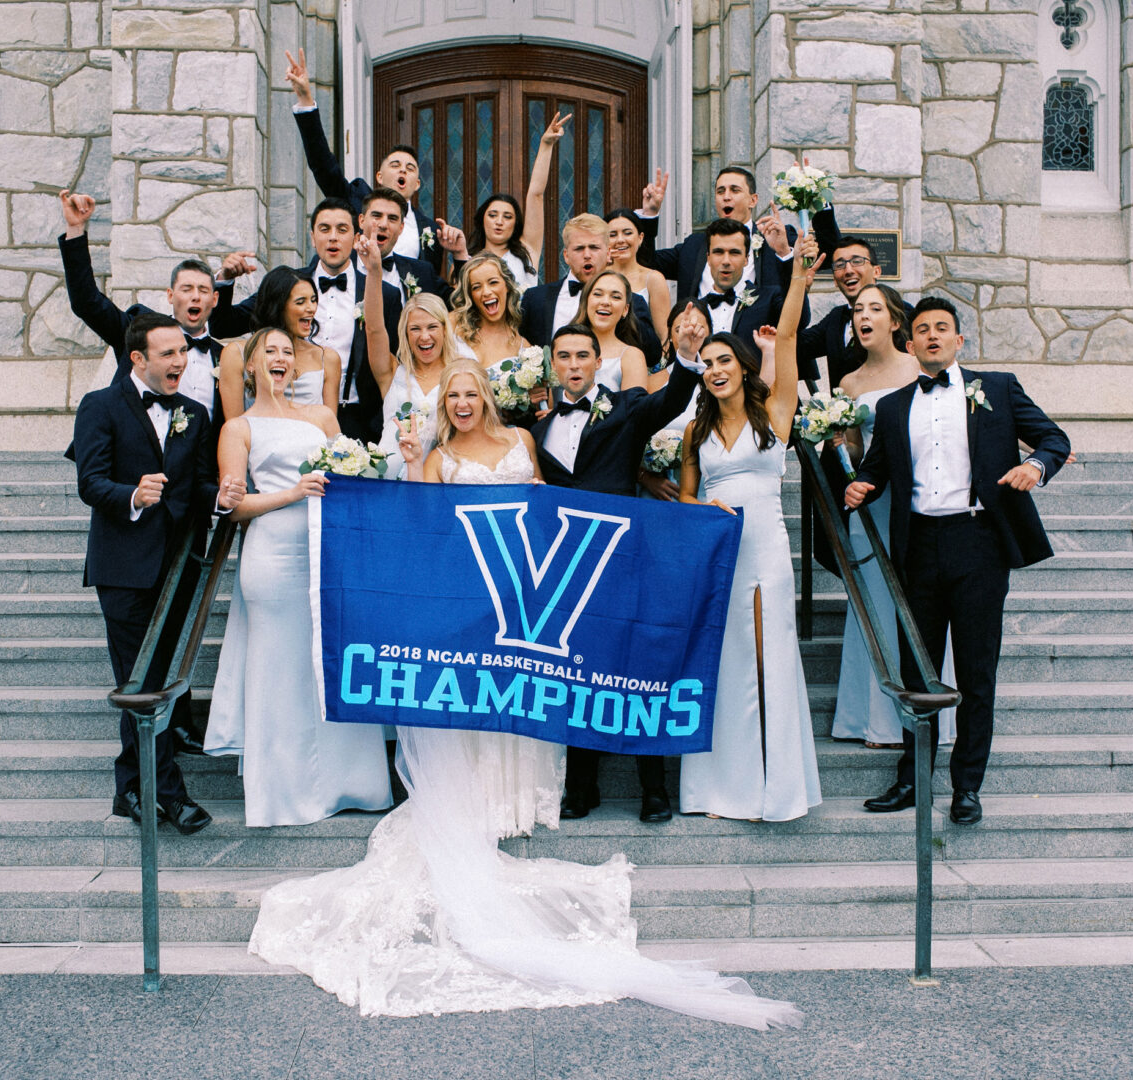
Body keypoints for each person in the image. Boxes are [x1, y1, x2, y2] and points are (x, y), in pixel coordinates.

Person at [245, 358, 800, 1030]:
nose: (461, 403)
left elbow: (544, 505)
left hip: (524, 592)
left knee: (524, 701)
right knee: (479, 704)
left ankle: (522, 801)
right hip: (468, 592)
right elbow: (422, 519)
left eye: (470, 392)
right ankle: (478, 807)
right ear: (443, 404)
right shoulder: (441, 454)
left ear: (487, 397)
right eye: (451, 395)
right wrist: (416, 461)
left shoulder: (522, 443)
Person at [845, 296, 1071, 825]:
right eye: (921, 329)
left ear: (958, 340)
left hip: (978, 544)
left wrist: (1035, 466)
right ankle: (912, 777)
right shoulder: (894, 405)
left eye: (941, 329)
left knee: (975, 672)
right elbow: (876, 469)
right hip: (918, 546)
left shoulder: (997, 388)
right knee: (916, 671)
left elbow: (1053, 439)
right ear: (909, 341)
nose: (931, 336)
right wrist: (859, 484)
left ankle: (967, 786)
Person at [203, 329, 393, 826]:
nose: (281, 359)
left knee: (330, 663)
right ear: (249, 367)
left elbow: (350, 480)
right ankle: (282, 795)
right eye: (270, 352)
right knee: (281, 669)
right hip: (273, 556)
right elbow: (235, 505)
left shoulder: (323, 418)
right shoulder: (238, 429)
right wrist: (293, 492)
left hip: (325, 553)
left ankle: (351, 784)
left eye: (287, 352)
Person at [71, 312, 243, 835]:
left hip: (178, 569)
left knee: (153, 681)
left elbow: (200, 484)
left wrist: (222, 499)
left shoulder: (193, 411)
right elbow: (90, 481)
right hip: (123, 569)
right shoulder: (99, 406)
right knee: (140, 680)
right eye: (168, 353)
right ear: (138, 359)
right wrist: (131, 495)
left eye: (183, 352)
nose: (180, 361)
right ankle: (168, 791)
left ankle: (131, 786)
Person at [674, 236, 822, 823]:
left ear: (741, 364)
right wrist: (704, 510)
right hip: (719, 552)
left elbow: (784, 339)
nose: (713, 371)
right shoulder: (694, 431)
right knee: (728, 661)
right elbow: (685, 495)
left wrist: (802, 281)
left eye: (723, 361)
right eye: (706, 364)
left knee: (769, 659)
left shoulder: (774, 413)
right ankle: (722, 791)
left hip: (766, 547)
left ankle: (774, 789)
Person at [531, 324, 701, 822]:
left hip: (625, 559)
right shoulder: (538, 429)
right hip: (566, 567)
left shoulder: (625, 406)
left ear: (597, 359)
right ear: (554, 365)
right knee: (575, 670)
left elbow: (669, 401)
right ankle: (582, 787)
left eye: (583, 355)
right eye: (564, 357)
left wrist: (686, 358)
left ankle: (654, 790)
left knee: (637, 667)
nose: (575, 365)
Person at [827, 284, 956, 751]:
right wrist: (839, 441)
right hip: (872, 504)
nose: (864, 316)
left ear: (895, 322)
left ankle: (928, 712)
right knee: (875, 604)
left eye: (874, 308)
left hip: (917, 501)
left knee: (920, 607)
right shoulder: (849, 384)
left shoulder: (919, 366)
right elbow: (861, 453)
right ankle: (875, 719)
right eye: (858, 310)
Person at [209, 198, 403, 444]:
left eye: (342, 230)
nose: (333, 237)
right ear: (312, 237)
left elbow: (391, 359)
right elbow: (223, 325)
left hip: (360, 420)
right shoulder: (289, 285)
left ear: (355, 237)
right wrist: (225, 280)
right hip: (285, 413)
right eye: (324, 229)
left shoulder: (385, 294)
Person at [56, 188, 237, 430]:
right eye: (186, 289)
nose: (195, 297)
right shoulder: (139, 332)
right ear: (170, 295)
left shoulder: (226, 358)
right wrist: (76, 230)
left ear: (214, 299)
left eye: (203, 291)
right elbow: (87, 303)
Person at [284, 48, 445, 279]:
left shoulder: (430, 229)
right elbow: (323, 165)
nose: (403, 170)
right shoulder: (354, 198)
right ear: (379, 176)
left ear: (417, 183)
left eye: (410, 169)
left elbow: (431, 283)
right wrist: (306, 100)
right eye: (395, 164)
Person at [360, 237, 460, 478]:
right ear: (405, 334)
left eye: (432, 327)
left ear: (444, 329)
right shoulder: (392, 372)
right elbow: (374, 328)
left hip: (433, 483)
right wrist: (374, 272)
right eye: (415, 329)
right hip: (384, 479)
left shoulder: (459, 376)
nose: (424, 337)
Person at [634, 166, 798, 298]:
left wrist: (784, 252)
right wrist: (650, 215)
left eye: (735, 190)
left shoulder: (777, 241)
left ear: (753, 200)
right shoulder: (693, 245)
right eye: (720, 191)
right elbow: (645, 262)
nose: (726, 197)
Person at [520, 214, 662, 365]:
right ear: (566, 256)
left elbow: (653, 355)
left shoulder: (632, 300)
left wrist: (622, 309)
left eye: (594, 248)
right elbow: (519, 350)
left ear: (608, 254)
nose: (587, 255)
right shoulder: (535, 299)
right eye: (579, 249)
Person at [216, 267, 340, 422]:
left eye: (313, 300)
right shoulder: (237, 354)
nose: (312, 308)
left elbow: (330, 433)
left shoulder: (327, 358)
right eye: (301, 302)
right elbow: (233, 427)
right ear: (278, 305)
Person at [466, 111, 566, 292]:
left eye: (507, 216)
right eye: (493, 215)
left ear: (516, 223)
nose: (499, 221)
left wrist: (546, 145)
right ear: (482, 219)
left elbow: (536, 194)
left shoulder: (526, 251)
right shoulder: (467, 259)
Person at [798, 233, 911, 392]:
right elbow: (794, 345)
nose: (848, 270)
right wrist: (799, 289)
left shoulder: (905, 314)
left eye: (857, 261)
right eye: (840, 265)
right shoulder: (835, 319)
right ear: (835, 281)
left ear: (877, 271)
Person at [637, 298, 711, 501]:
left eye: (697, 326)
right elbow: (630, 436)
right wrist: (645, 477)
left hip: (706, 489)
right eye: (680, 328)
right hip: (659, 492)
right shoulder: (650, 382)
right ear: (669, 335)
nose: (689, 332)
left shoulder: (718, 383)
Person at [696, 217, 785, 355]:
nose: (726, 261)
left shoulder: (769, 299)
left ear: (746, 259)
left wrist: (784, 253)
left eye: (734, 253)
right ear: (708, 258)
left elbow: (799, 320)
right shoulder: (694, 310)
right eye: (718, 252)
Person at [360, 186, 463, 300]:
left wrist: (460, 254)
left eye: (392, 218)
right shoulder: (342, 267)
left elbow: (459, 303)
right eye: (377, 216)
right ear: (361, 221)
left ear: (401, 228)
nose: (383, 224)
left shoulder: (423, 272)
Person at [573, 268, 649, 391]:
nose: (605, 302)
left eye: (616, 297)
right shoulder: (565, 344)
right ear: (586, 301)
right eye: (598, 294)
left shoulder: (631, 356)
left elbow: (633, 408)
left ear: (625, 310)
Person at [449, 254, 530, 368]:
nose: (486, 292)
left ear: (507, 285)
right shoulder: (453, 323)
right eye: (476, 287)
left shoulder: (522, 346)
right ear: (470, 295)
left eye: (493, 282)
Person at [606, 208, 670, 345]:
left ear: (640, 238)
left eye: (627, 233)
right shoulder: (598, 276)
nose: (620, 240)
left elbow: (663, 336)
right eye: (612, 235)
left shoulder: (653, 279)